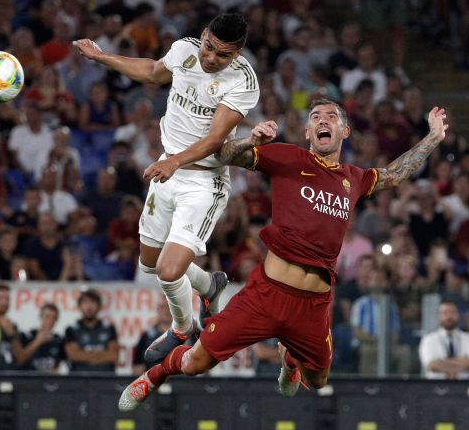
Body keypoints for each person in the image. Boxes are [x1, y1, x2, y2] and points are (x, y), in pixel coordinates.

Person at [117, 99, 449, 411]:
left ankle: (290, 358)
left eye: (331, 116)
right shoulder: (290, 159)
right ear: (307, 132)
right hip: (265, 295)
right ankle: (153, 377)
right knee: (194, 364)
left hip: (312, 306)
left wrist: (434, 136)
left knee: (317, 381)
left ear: (344, 131)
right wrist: (252, 140)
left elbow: (395, 173)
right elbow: (226, 155)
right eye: (315, 117)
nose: (322, 120)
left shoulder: (354, 179)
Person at [73, 13, 260, 364]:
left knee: (169, 271)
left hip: (204, 182)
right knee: (150, 262)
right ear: (203, 35)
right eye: (209, 47)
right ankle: (210, 285)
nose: (210, 58)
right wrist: (102, 57)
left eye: (222, 55)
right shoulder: (184, 50)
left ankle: (181, 329)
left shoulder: (242, 80)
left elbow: (216, 139)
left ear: (236, 54)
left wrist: (175, 162)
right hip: (167, 169)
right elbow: (152, 72)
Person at [64, 288, 119, 373]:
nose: (89, 306)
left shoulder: (109, 328)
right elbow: (73, 355)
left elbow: (113, 355)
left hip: (105, 379)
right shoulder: (71, 329)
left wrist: (84, 354)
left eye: (93, 302)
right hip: (79, 379)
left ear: (99, 306)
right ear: (79, 306)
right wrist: (101, 355)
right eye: (85, 302)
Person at [419, 301, 469, 379]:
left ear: (458, 315)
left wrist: (442, 362)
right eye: (445, 313)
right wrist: (462, 362)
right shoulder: (428, 339)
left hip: (464, 384)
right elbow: (431, 365)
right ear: (439, 316)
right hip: (435, 385)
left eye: (452, 312)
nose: (449, 316)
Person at [16, 303, 65, 373]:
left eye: (54, 318)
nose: (50, 321)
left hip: (49, 382)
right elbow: (19, 360)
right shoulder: (27, 336)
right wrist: (37, 342)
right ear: (40, 317)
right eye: (47, 317)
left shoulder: (59, 340)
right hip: (29, 381)